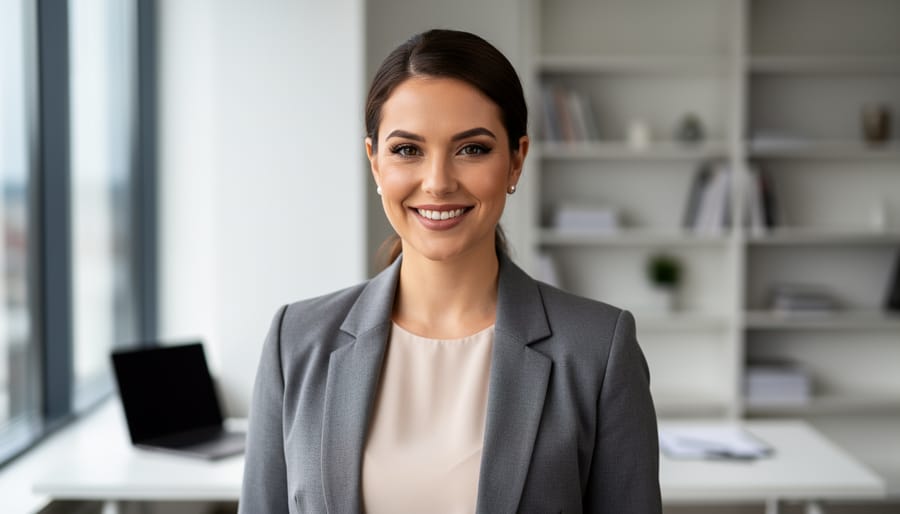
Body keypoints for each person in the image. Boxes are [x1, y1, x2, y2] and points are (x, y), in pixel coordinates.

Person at [239, 29, 661, 514]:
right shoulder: (295, 341)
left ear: (516, 160)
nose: (437, 183)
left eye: (473, 149)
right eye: (406, 150)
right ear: (375, 163)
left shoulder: (598, 350)